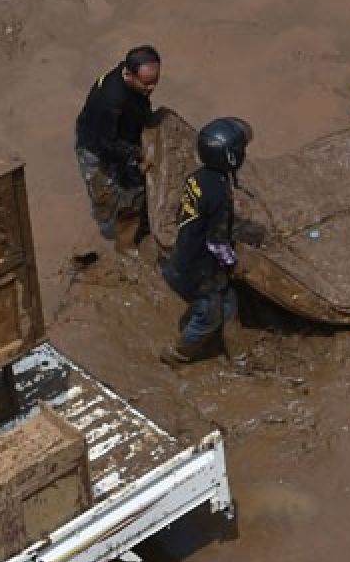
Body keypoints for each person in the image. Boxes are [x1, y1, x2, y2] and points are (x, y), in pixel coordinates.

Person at [160, 117, 252, 363]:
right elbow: (216, 242)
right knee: (208, 316)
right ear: (230, 157)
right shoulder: (219, 193)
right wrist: (234, 263)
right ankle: (177, 354)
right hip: (197, 267)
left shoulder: (197, 177)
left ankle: (239, 354)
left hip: (186, 250)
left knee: (228, 302)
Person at [75, 45, 161, 254]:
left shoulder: (131, 81)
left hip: (119, 135)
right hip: (96, 147)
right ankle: (115, 234)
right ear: (129, 75)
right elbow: (106, 143)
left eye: (155, 81)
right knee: (106, 195)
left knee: (134, 189)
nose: (151, 88)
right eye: (147, 83)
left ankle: (131, 220)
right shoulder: (110, 102)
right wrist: (137, 154)